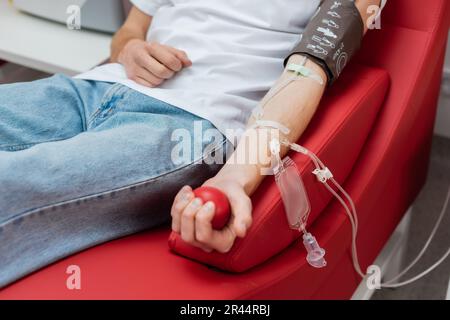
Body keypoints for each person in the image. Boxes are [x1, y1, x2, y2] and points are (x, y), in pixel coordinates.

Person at [0, 0, 382, 287]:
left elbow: (308, 73)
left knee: (15, 180)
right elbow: (129, 33)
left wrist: (236, 176)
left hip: (191, 123)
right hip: (95, 87)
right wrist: (131, 50)